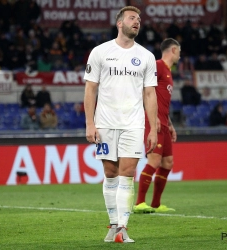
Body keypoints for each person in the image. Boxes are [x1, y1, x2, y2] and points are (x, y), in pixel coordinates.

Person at [83, 6, 158, 244]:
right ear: (119, 23)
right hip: (105, 124)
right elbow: (90, 89)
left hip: (133, 124)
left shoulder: (146, 56)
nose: (137, 22)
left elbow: (149, 94)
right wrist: (89, 123)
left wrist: (153, 128)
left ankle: (123, 229)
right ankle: (113, 223)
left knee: (127, 174)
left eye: (139, 19)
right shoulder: (100, 52)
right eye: (132, 18)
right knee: (110, 173)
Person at [133, 38, 180, 214]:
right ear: (174, 50)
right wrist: (153, 118)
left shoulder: (168, 72)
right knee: (154, 160)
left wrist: (170, 123)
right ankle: (139, 203)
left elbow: (162, 101)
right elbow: (143, 90)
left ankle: (156, 204)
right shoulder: (158, 65)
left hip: (164, 121)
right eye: (179, 52)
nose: (179, 56)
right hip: (154, 121)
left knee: (168, 162)